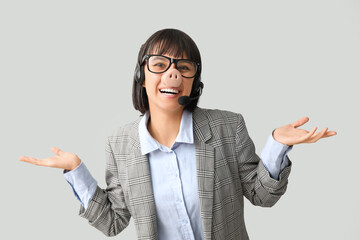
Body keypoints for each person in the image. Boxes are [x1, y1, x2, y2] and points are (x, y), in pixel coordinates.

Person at [19, 28, 337, 240]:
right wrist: (75, 170)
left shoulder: (228, 127)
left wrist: (277, 145)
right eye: (160, 63)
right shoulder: (119, 143)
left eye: (184, 66)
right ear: (141, 76)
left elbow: (262, 195)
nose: (173, 72)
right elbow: (113, 222)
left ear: (194, 82)